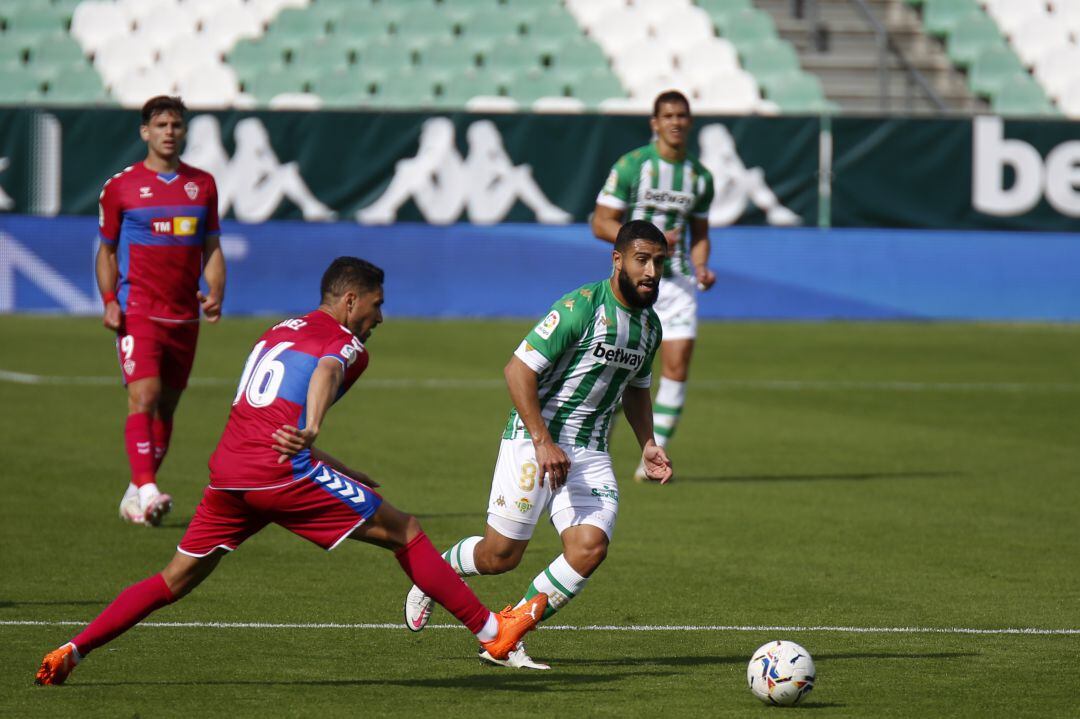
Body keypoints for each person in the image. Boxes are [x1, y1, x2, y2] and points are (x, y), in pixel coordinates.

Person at [35, 257, 547, 686]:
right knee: (406, 532)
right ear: (350, 300)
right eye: (377, 304)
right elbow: (325, 373)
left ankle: (72, 650)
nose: (381, 317)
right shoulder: (347, 345)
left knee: (172, 580)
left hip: (230, 477)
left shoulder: (276, 331)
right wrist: (316, 430)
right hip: (280, 476)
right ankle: (491, 632)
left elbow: (266, 421)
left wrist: (331, 462)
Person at [403, 221, 673, 669]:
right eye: (641, 259)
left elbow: (636, 388)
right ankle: (437, 573)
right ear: (618, 259)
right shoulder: (580, 308)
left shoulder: (651, 328)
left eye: (658, 262)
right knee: (499, 556)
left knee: (589, 548)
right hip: (535, 440)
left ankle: (508, 633)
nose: (651, 271)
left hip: (589, 451)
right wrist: (543, 441)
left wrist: (647, 442)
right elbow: (517, 370)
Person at [96, 95, 227, 526]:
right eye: (161, 124)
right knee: (145, 397)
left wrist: (216, 290)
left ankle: (137, 492)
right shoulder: (121, 187)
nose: (169, 131)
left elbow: (211, 246)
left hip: (183, 315)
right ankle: (149, 489)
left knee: (167, 408)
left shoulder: (203, 185)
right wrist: (111, 301)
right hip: (140, 310)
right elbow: (108, 252)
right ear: (145, 132)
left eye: (176, 124)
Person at [591, 90, 717, 482]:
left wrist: (700, 265)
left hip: (677, 285)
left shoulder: (700, 177)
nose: (676, 122)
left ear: (689, 122)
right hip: (630, 284)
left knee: (676, 368)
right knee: (614, 368)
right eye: (668, 115)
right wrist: (648, 242)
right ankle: (594, 449)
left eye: (682, 115)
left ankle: (652, 457)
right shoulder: (633, 166)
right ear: (655, 123)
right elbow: (600, 223)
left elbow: (700, 233)